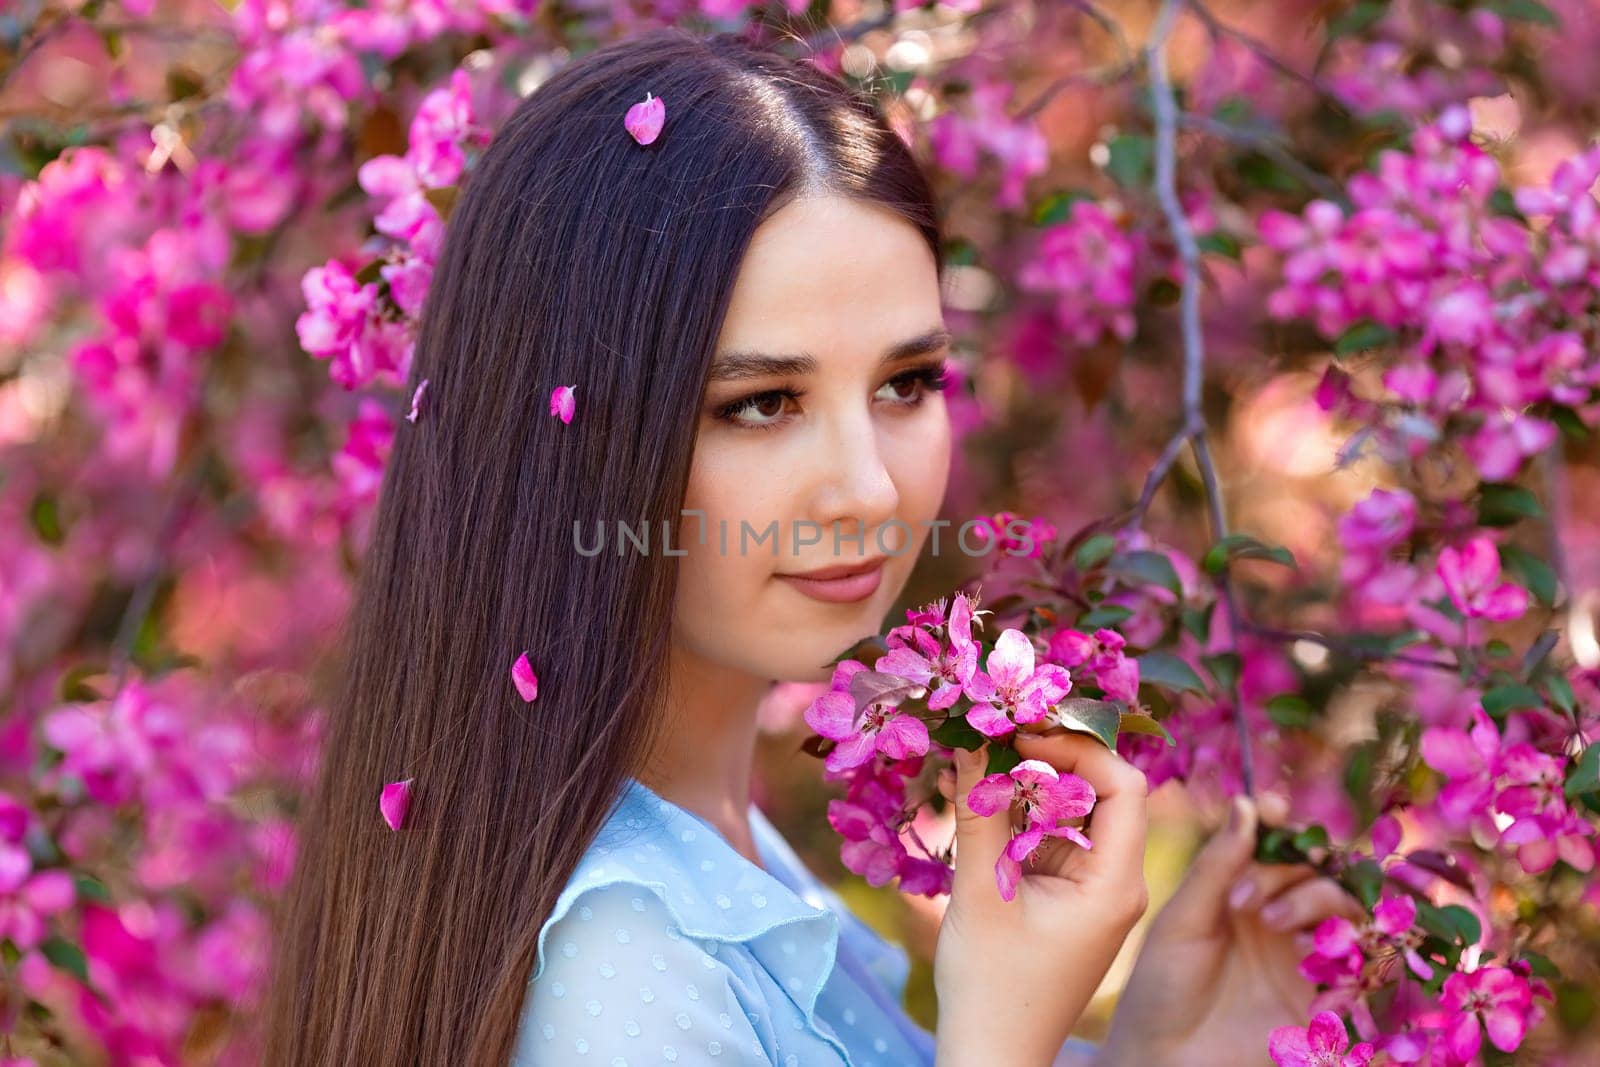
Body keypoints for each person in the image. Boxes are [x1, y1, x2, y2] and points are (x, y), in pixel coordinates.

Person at [259, 26, 1361, 1067]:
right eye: (760, 402)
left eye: (905, 383)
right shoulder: (625, 962)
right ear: (571, 432)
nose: (870, 488)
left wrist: (1149, 1046)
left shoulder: (712, 861)